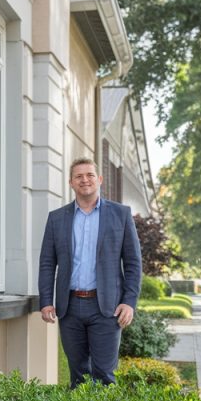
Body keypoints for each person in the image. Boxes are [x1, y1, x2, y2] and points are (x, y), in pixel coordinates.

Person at [38, 157, 142, 388]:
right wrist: (46, 301)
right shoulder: (57, 219)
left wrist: (129, 302)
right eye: (79, 176)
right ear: (71, 183)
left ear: (100, 180)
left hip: (106, 308)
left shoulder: (121, 215)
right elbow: (47, 262)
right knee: (78, 375)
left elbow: (133, 263)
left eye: (90, 175)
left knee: (104, 375)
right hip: (70, 307)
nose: (85, 180)